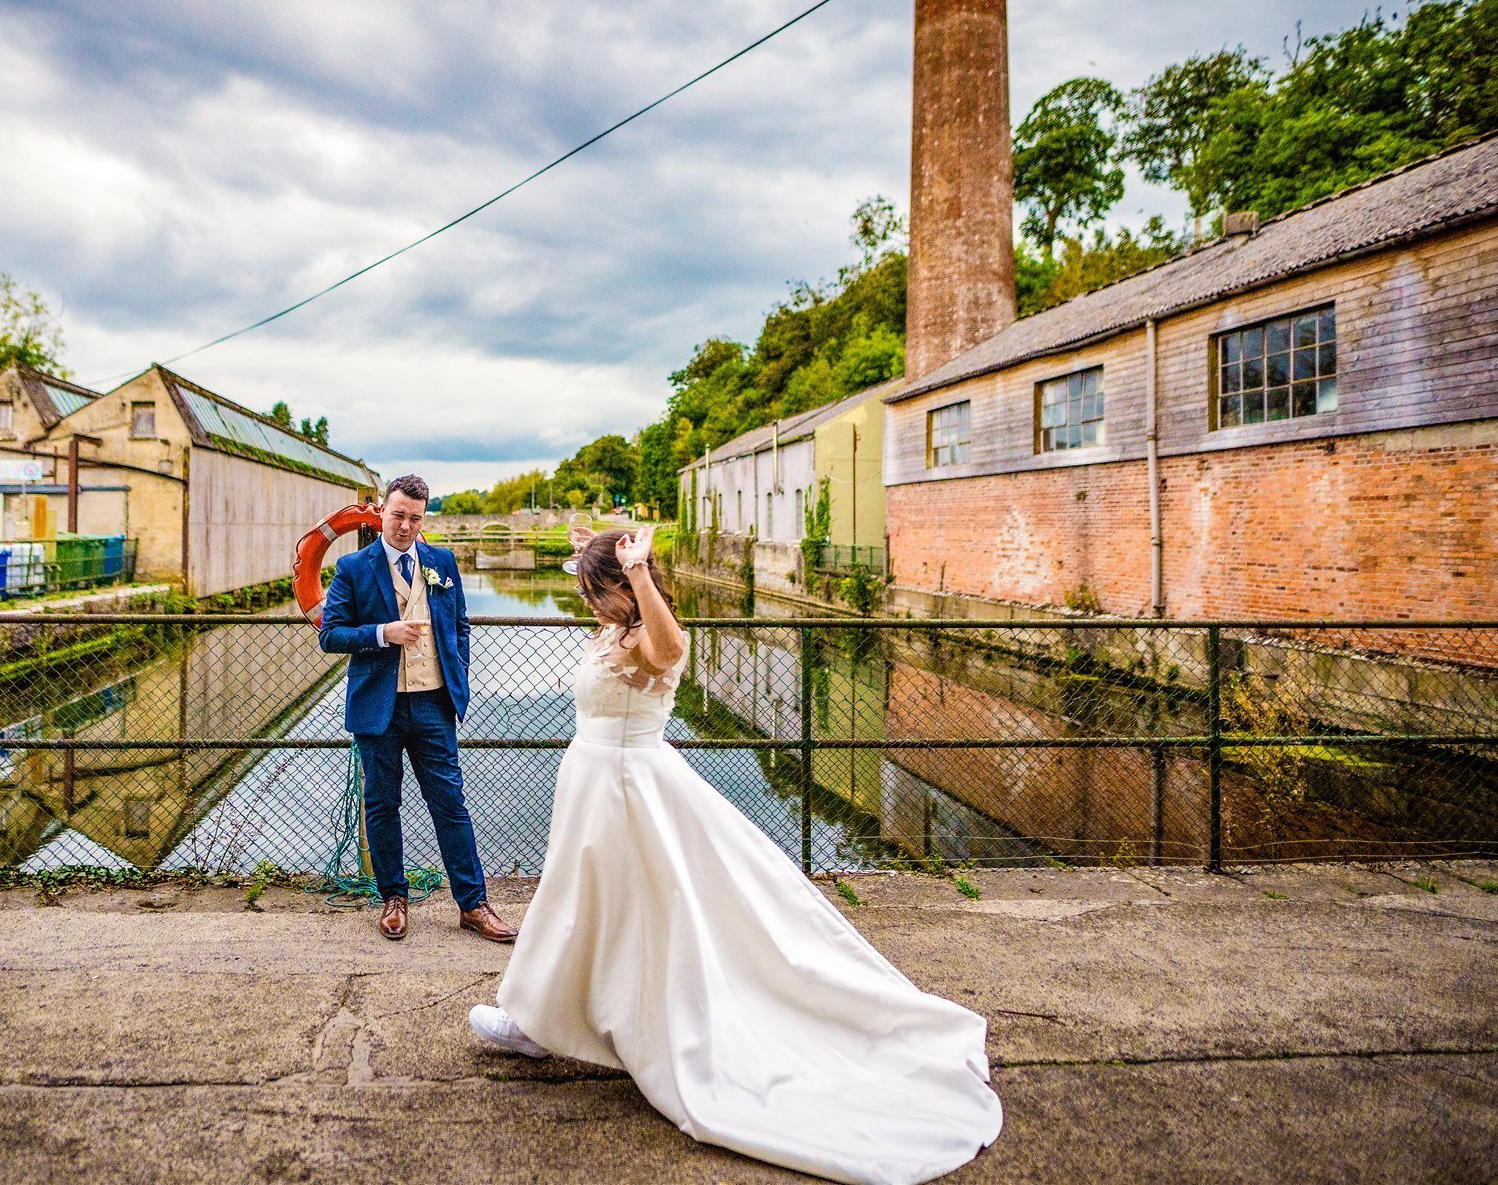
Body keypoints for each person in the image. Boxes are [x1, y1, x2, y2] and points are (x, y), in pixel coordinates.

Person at [469, 525, 1001, 1184]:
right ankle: (540, 1016)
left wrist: (635, 571)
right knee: (578, 902)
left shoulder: (651, 632)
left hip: (632, 792)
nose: (590, 603)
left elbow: (667, 650)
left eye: (596, 590)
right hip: (594, 787)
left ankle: (587, 1022)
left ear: (628, 586)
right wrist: (597, 554)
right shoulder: (611, 628)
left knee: (636, 914)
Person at [317, 475, 517, 943]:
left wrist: (457, 673)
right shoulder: (352, 568)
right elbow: (330, 635)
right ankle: (394, 900)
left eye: (415, 518)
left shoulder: (442, 562)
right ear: (382, 513)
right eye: (398, 515)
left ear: (423, 518)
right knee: (383, 806)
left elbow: (460, 625)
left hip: (432, 705)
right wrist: (383, 633)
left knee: (450, 804)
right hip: (378, 708)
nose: (405, 525)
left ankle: (473, 905)